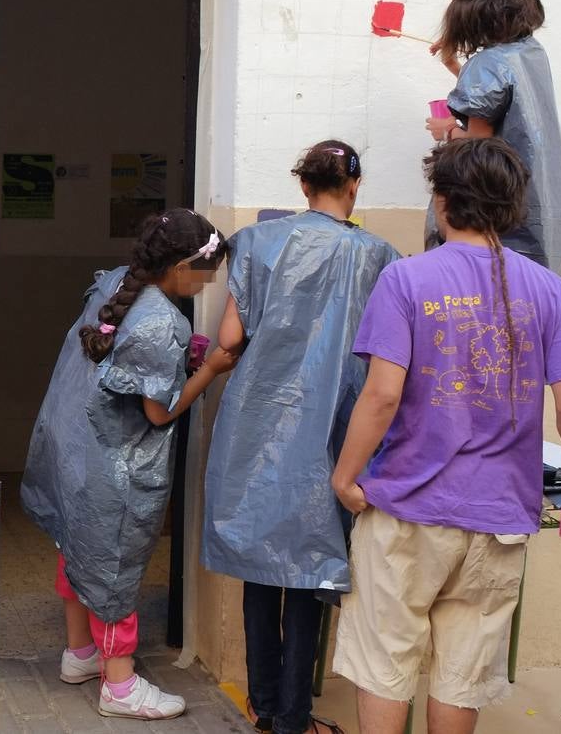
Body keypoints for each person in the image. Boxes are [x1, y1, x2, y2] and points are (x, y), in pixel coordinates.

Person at [330, 138, 561, 734]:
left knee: (385, 664)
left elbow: (382, 394)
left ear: (442, 202)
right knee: (461, 673)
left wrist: (345, 477)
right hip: (498, 516)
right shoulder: (548, 289)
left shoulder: (406, 278)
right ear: (511, 208)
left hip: (405, 508)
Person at [203, 141, 398, 734]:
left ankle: (264, 707)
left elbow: (231, 337)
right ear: (355, 186)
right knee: (313, 567)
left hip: (258, 421)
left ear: (303, 186)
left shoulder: (259, 242)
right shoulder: (380, 256)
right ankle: (294, 718)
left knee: (261, 565)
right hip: (335, 423)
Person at [21, 208, 238, 721]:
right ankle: (118, 684)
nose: (208, 284)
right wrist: (210, 369)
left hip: (70, 443)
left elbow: (118, 359)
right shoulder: (163, 321)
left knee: (75, 544)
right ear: (182, 267)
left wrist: (181, 358)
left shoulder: (119, 283)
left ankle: (80, 654)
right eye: (207, 273)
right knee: (114, 566)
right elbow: (159, 412)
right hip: (111, 464)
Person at [423, 0, 561, 289]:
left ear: (474, 14)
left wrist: (447, 128)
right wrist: (453, 65)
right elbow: (500, 92)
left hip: (495, 219)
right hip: (540, 215)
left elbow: (480, 144)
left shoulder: (488, 63)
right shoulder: (530, 51)